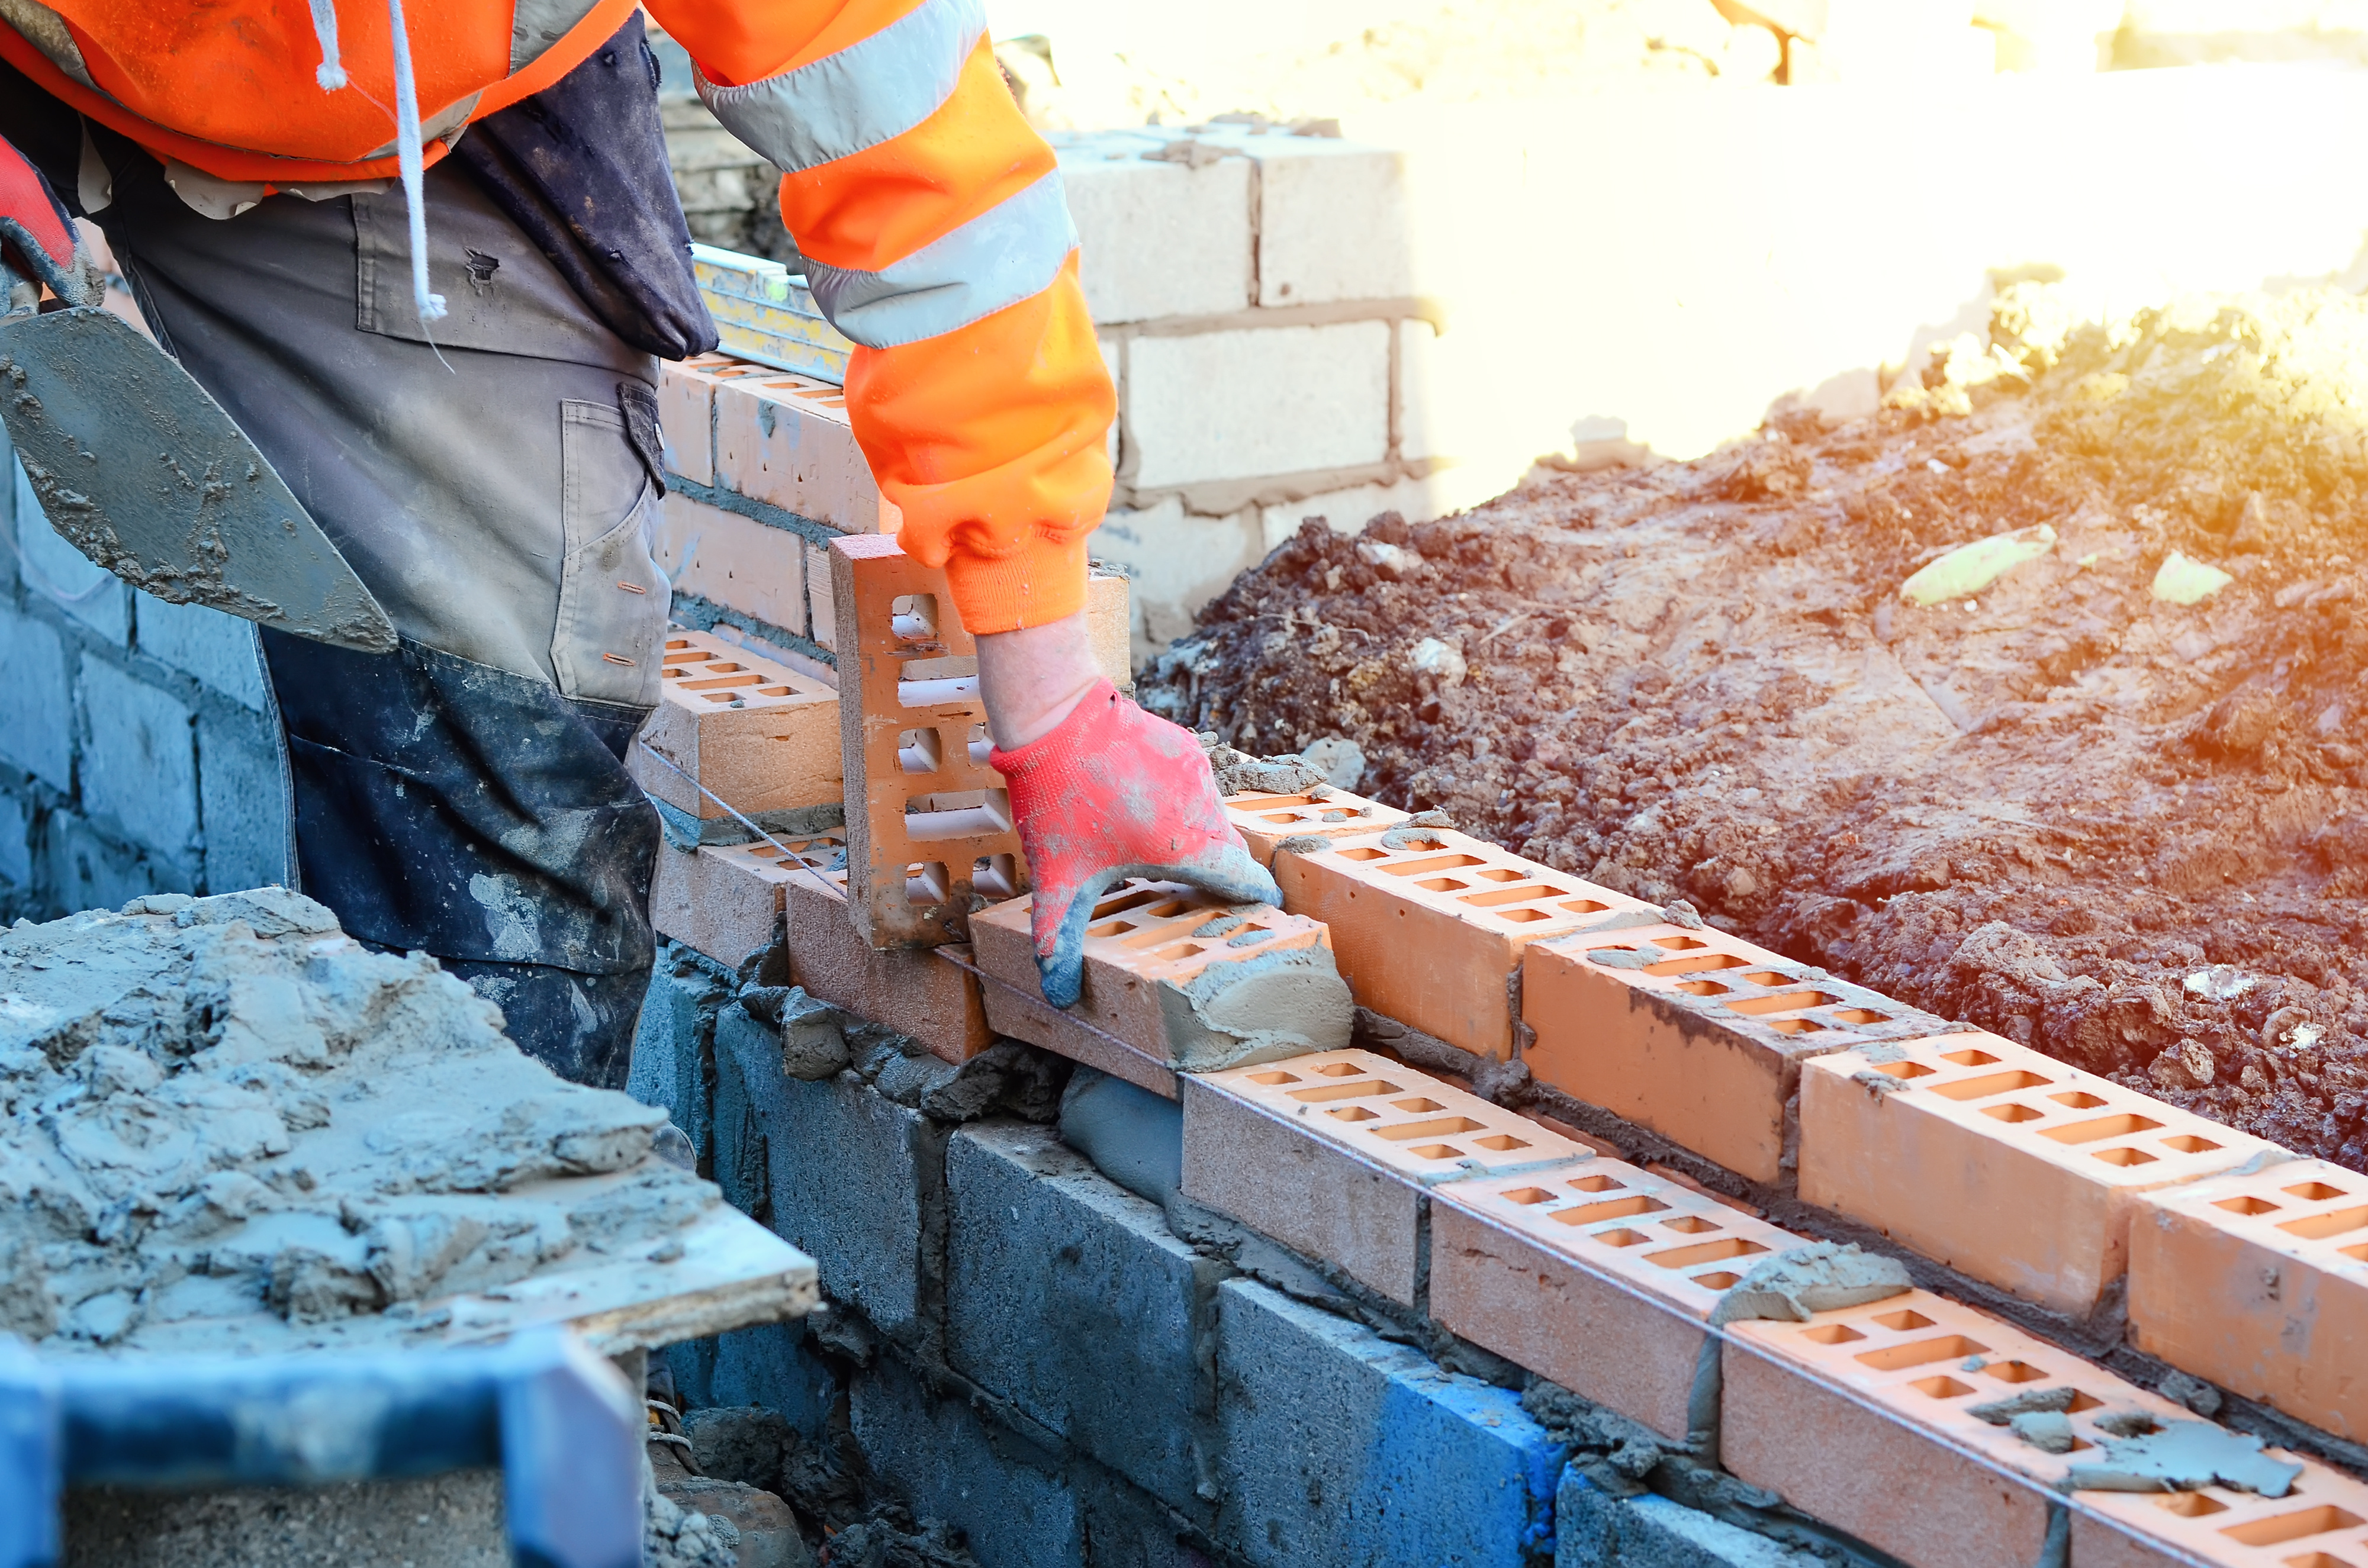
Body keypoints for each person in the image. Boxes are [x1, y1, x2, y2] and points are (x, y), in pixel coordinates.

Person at [0, 0, 1272, 1088]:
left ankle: (479, 1286)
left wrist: (1051, 704)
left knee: (502, 739)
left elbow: (923, 173)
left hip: (423, 111)